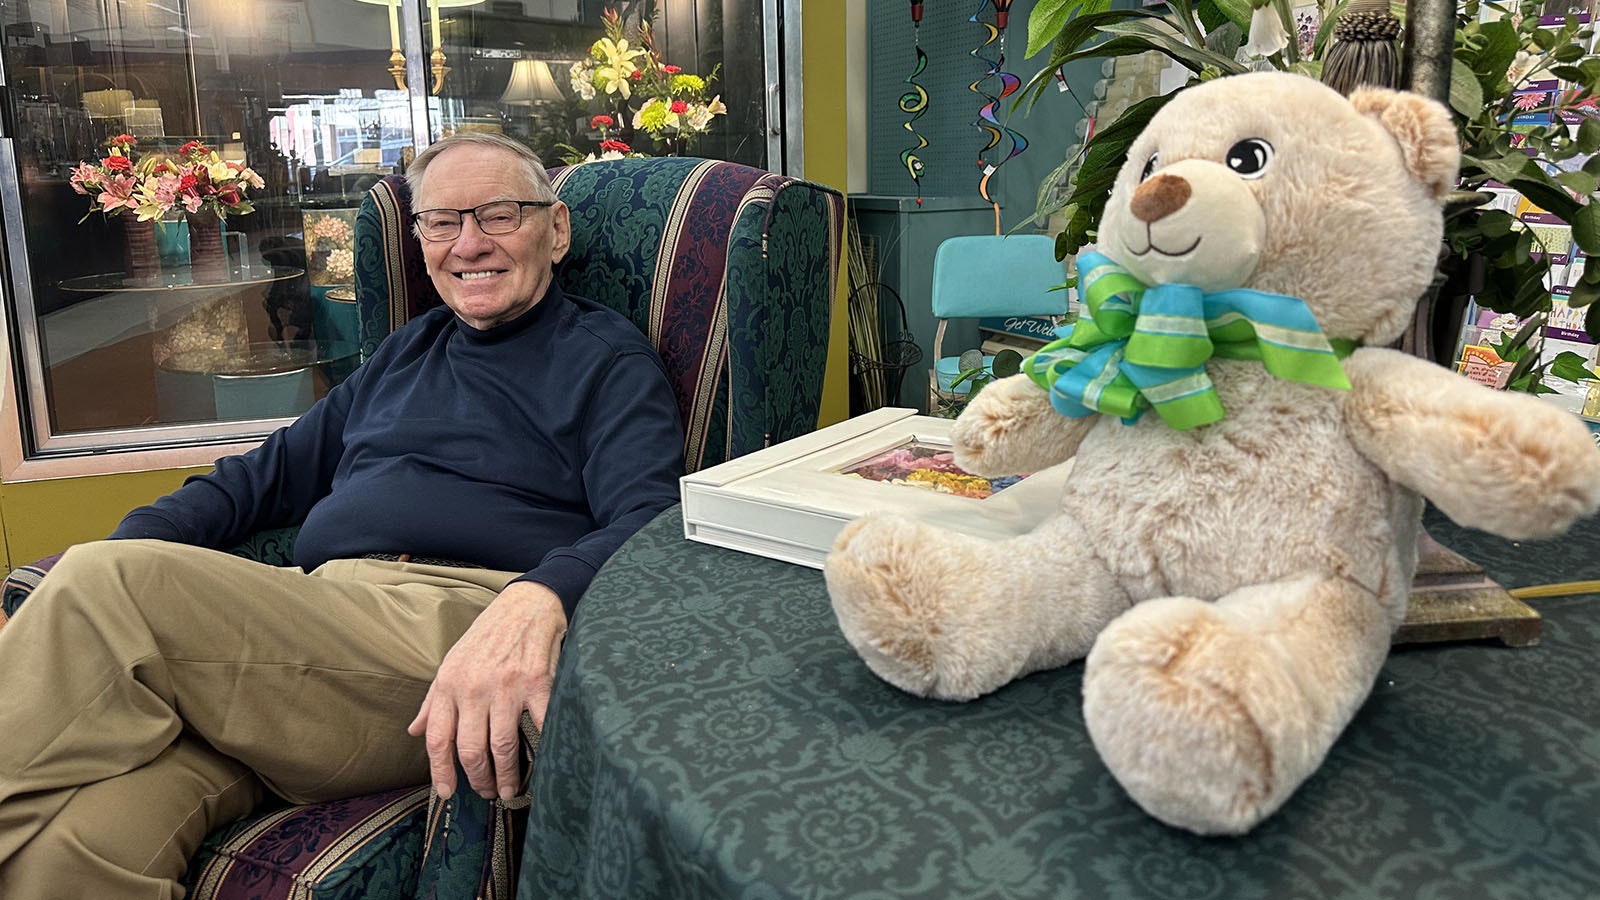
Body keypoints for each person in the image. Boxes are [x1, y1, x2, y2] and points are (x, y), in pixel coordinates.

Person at [0, 131, 685, 898]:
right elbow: (256, 482)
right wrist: (129, 552)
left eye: (498, 216)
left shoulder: (606, 360)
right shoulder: (406, 352)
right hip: (312, 637)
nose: (468, 245)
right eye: (441, 223)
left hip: (449, 635)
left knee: (109, 586)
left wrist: (541, 594)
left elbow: (652, 519)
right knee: (69, 848)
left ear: (555, 230)